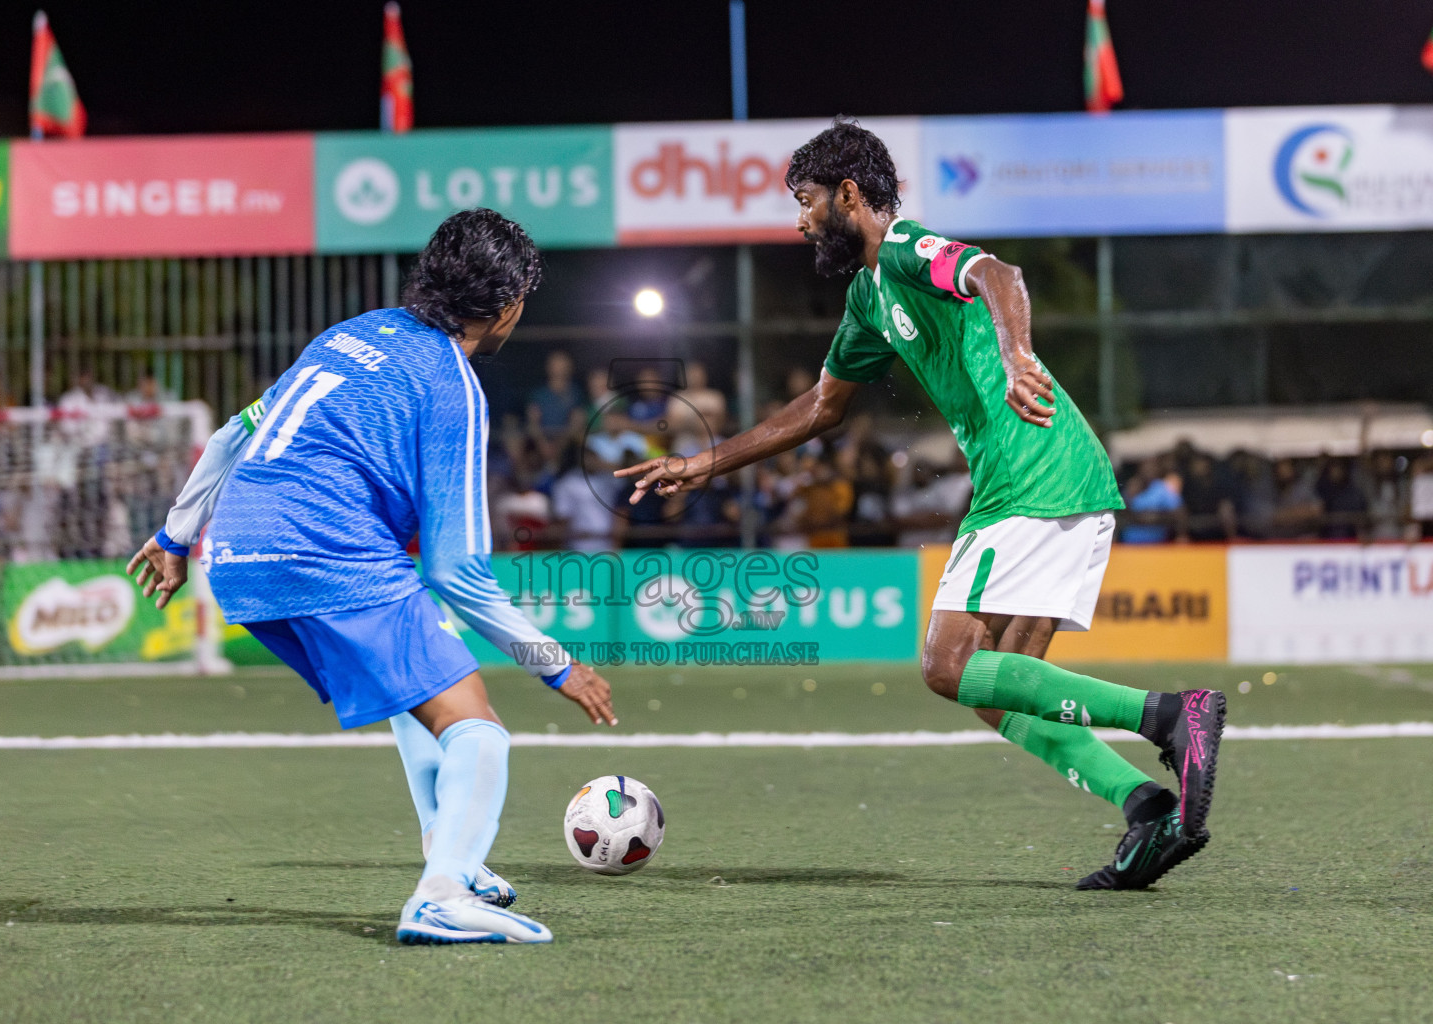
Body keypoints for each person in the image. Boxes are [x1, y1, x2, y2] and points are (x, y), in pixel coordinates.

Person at [616, 118, 1224, 891]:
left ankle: (1170, 715)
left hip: (1029, 474)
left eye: (806, 202)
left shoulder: (903, 250)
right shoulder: (868, 298)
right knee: (995, 688)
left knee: (947, 667)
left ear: (848, 194)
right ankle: (1143, 806)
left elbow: (999, 275)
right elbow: (820, 409)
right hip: (1065, 476)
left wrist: (1014, 354)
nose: (800, 221)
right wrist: (707, 462)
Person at [126, 209, 617, 945]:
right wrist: (554, 663)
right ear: (509, 303)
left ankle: (448, 853)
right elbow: (457, 571)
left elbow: (235, 431)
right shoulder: (453, 386)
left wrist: (174, 535)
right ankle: (442, 894)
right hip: (328, 549)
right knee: (478, 728)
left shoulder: (349, 335)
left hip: (238, 556)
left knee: (413, 687)